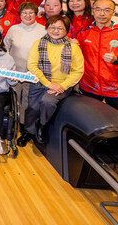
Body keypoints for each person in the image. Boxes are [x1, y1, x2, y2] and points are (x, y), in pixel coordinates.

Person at [25, 15, 84, 144]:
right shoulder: (38, 43)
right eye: (52, 27)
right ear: (47, 28)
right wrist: (49, 84)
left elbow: (78, 71)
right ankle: (29, 132)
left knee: (47, 102)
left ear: (66, 31)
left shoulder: (73, 48)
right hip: (40, 81)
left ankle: (42, 125)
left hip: (62, 85)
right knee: (33, 108)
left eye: (60, 28)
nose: (55, 31)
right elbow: (32, 66)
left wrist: (63, 85)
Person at [77, 0, 118, 115]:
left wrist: (117, 60)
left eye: (107, 10)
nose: (102, 14)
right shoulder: (83, 33)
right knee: (90, 124)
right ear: (93, 12)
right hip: (89, 88)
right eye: (98, 9)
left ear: (113, 12)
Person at [3, 2, 46, 145]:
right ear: (20, 15)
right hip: (14, 72)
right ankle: (12, 125)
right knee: (13, 100)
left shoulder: (43, 30)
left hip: (33, 74)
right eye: (24, 13)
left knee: (28, 102)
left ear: (36, 14)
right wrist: (8, 68)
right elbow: (5, 49)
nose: (27, 16)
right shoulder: (13, 29)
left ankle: (26, 129)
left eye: (31, 13)